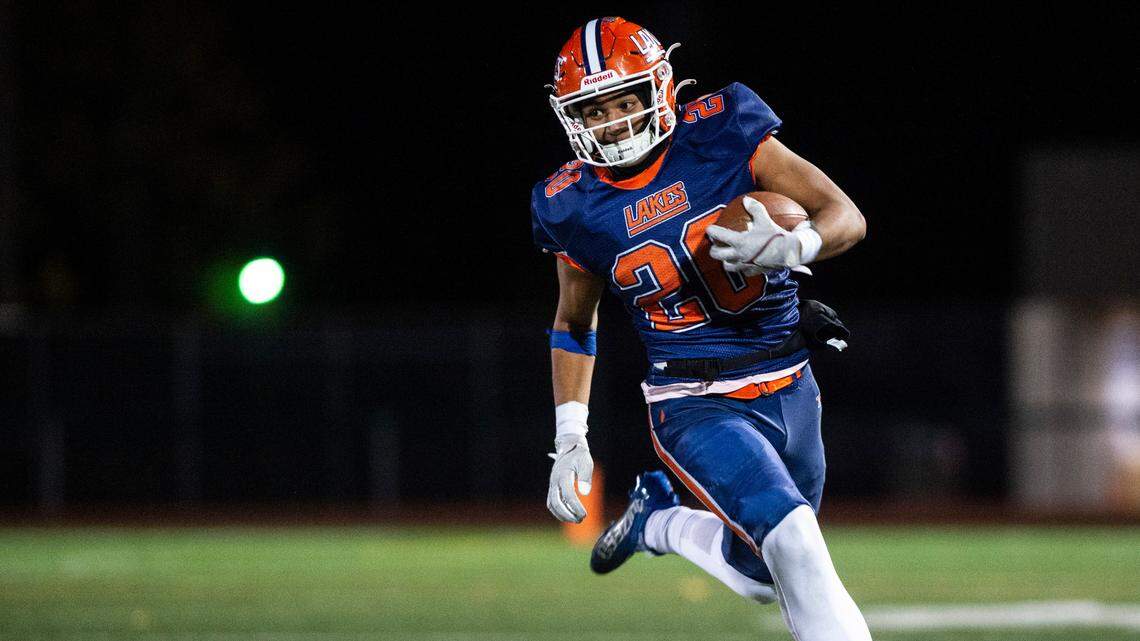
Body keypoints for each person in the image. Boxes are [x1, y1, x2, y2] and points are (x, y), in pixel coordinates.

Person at [531, 17, 872, 641]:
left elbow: (844, 214)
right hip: (692, 399)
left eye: (624, 102)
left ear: (660, 86)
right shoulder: (571, 203)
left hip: (789, 380)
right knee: (794, 540)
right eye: (594, 110)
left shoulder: (723, 128)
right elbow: (574, 321)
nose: (613, 123)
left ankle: (656, 522)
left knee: (763, 573)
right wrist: (571, 435)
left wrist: (799, 245)